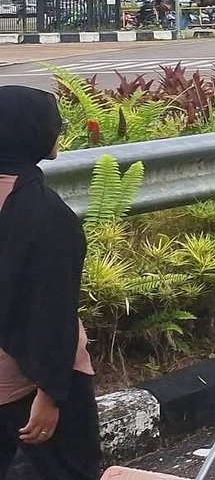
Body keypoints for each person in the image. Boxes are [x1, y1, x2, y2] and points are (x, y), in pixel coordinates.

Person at [0, 87, 99, 480]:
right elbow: (50, 312)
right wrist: (52, 394)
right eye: (54, 123)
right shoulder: (45, 214)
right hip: (31, 379)